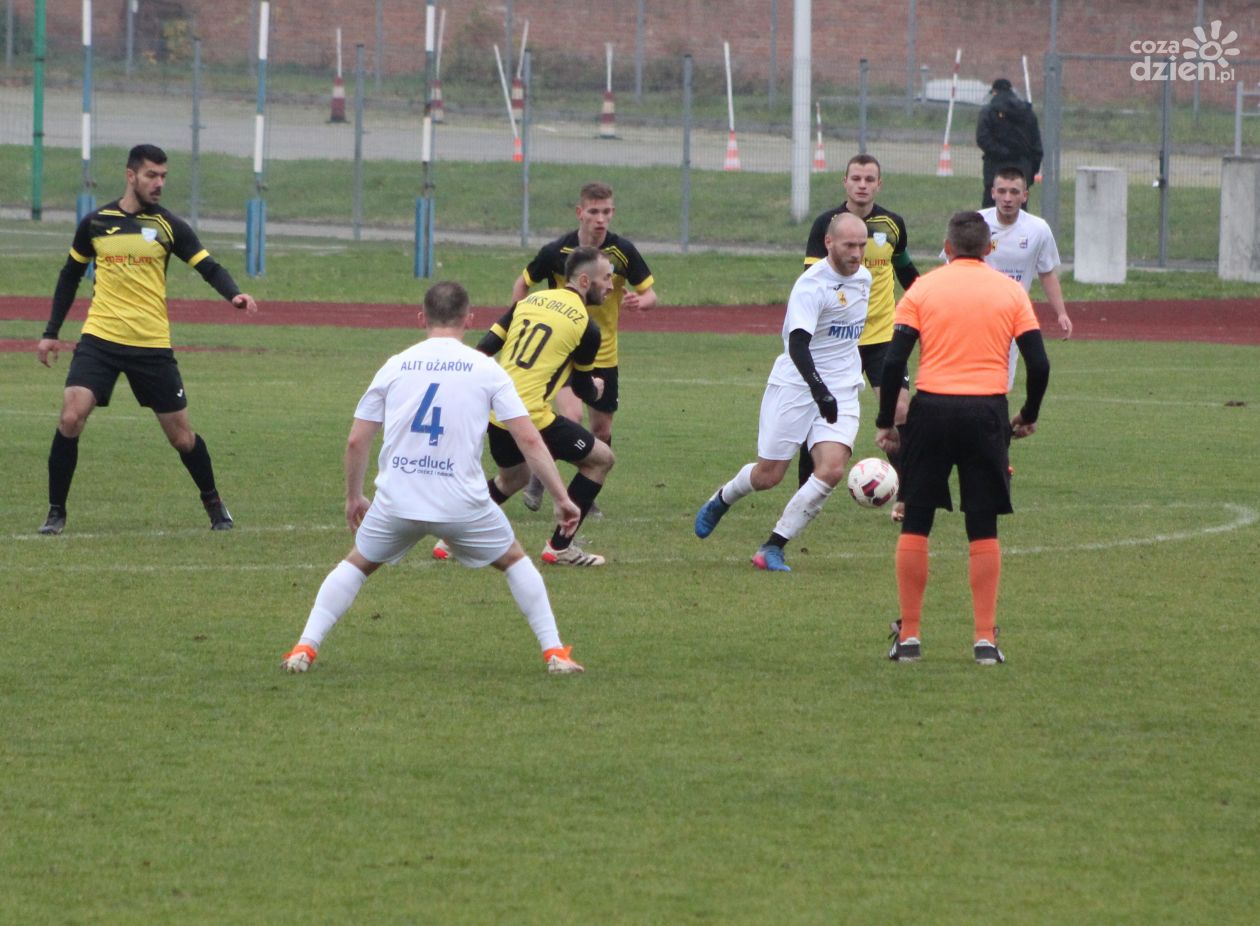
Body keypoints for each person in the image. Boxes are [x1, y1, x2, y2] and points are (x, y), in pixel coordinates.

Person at [279, 282, 585, 676]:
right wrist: (561, 497)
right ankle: (555, 653)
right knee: (514, 561)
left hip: (399, 499)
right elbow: (528, 439)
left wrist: (354, 497)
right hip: (461, 503)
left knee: (355, 565)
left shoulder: (396, 364)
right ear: (469, 319)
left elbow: (356, 440)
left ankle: (304, 647)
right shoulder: (486, 368)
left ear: (421, 317)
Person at [35, 143, 258, 535]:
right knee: (71, 415)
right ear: (131, 175)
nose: (159, 183)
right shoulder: (96, 223)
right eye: (151, 175)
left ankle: (214, 503)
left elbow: (208, 266)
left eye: (163, 176)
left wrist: (234, 294)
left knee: (182, 437)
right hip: (100, 339)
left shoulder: (169, 226)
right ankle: (55, 513)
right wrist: (51, 332)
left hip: (151, 345)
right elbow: (70, 275)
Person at [875, 211, 1050, 665]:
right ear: (989, 249)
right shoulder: (1011, 292)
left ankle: (910, 637)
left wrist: (885, 420)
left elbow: (893, 362)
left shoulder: (922, 289)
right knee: (982, 524)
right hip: (986, 413)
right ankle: (984, 640)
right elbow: (1039, 363)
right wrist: (1028, 414)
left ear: (947, 248)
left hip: (931, 411)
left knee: (917, 519)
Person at [693, 213, 871, 572]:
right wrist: (818, 390)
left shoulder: (864, 278)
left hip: (842, 387)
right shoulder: (812, 286)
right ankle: (723, 497)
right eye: (849, 245)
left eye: (862, 245)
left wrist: (832, 390)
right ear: (829, 243)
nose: (856, 253)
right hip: (797, 385)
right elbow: (797, 345)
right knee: (769, 476)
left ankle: (773, 547)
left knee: (832, 469)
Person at [434, 246, 616, 566]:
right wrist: (597, 389)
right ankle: (560, 546)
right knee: (601, 460)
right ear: (585, 281)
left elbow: (483, 350)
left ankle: (450, 537)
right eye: (607, 278)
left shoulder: (526, 303)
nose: (612, 286)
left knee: (513, 479)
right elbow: (584, 389)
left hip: (496, 414)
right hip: (529, 417)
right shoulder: (587, 328)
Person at [513, 181, 657, 513]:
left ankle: (584, 492)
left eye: (606, 212)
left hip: (604, 354)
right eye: (593, 211)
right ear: (580, 213)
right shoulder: (557, 252)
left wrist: (641, 302)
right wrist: (519, 319)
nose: (600, 219)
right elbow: (523, 283)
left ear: (613, 213)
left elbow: (650, 293)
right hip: (563, 352)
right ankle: (542, 478)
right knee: (571, 415)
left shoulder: (622, 251)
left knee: (601, 431)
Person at [802, 154, 920, 520]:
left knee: (900, 410)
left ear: (879, 184)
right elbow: (812, 281)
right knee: (817, 411)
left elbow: (906, 271)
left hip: (882, 337)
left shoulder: (892, 224)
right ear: (845, 181)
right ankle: (805, 494)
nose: (862, 185)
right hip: (836, 340)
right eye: (856, 178)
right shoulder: (826, 225)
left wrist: (929, 302)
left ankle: (906, 494)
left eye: (870, 179)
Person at [982, 167, 1073, 388]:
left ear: (1025, 196)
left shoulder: (1038, 229)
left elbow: (1047, 272)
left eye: (1014, 192)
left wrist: (1061, 313)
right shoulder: (977, 223)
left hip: (1011, 317)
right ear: (993, 193)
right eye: (1002, 191)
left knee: (1001, 385)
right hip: (977, 314)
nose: (1007, 198)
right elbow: (952, 269)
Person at [976, 78, 1043, 209]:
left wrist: (1000, 152)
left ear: (994, 92)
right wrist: (1031, 171)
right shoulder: (1028, 112)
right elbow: (1036, 147)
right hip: (1022, 168)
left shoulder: (988, 112)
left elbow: (982, 139)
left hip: (995, 168)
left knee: (991, 212)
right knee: (1020, 213)